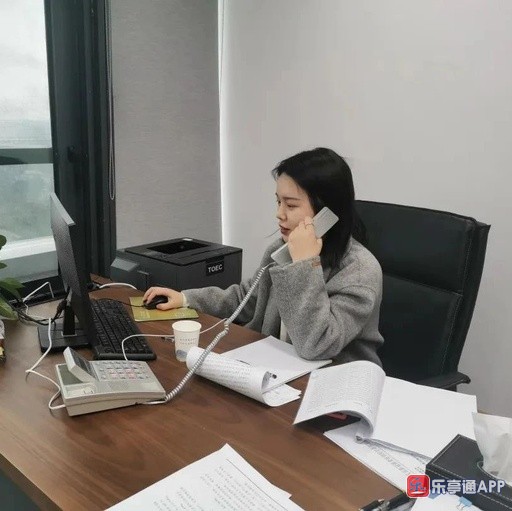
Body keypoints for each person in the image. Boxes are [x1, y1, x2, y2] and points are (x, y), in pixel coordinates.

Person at [143, 147, 384, 364]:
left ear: (327, 213)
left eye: (291, 205)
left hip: (334, 383)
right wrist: (186, 299)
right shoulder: (281, 250)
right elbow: (247, 299)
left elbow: (316, 344)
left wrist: (304, 265)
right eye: (278, 202)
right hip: (277, 367)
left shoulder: (359, 271)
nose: (279, 214)